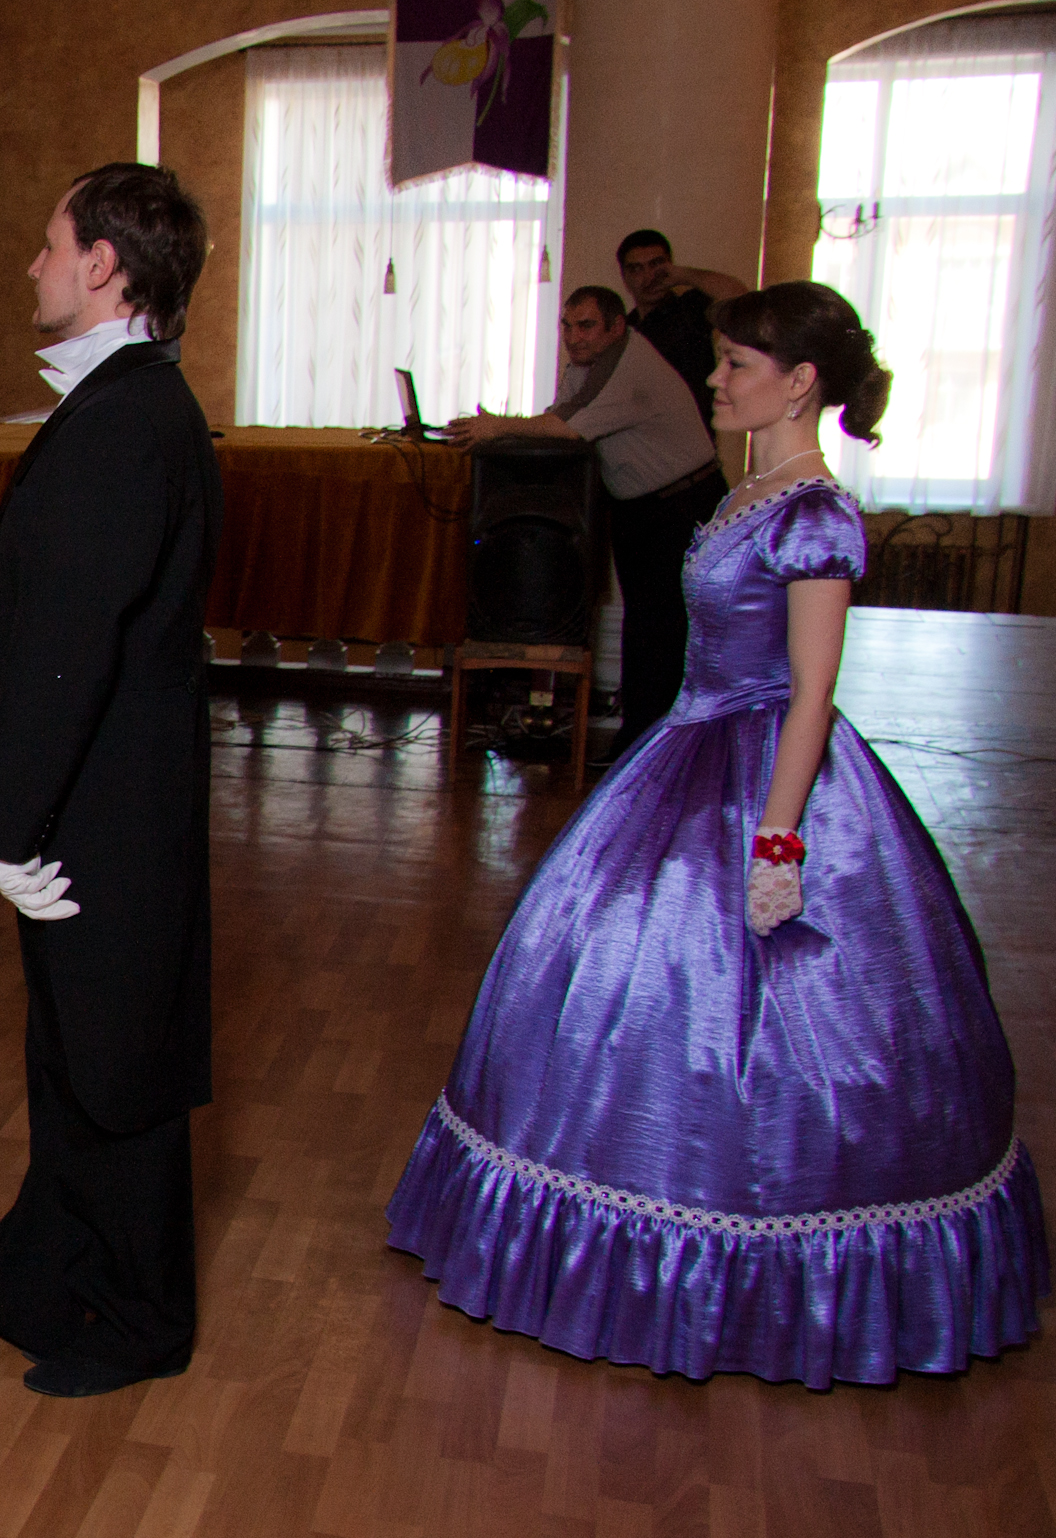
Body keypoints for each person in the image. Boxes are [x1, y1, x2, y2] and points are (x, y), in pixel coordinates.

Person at [388, 282, 1043, 1388]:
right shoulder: (750, 492)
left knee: (772, 1010)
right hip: (688, 746)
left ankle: (755, 1252)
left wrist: (779, 839)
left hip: (762, 771)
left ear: (802, 383)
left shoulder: (815, 516)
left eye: (738, 365)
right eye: (723, 360)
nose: (715, 379)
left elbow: (812, 692)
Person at [0, 163, 220, 1400]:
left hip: (104, 805)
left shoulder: (124, 417)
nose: (33, 264)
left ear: (104, 266)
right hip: (104, 790)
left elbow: (74, 644)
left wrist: (10, 823)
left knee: (116, 1066)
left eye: (50, 243)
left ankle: (140, 1321)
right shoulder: (125, 400)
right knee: (70, 1053)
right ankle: (45, 1284)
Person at [450, 285, 718, 757]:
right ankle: (638, 745)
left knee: (663, 633)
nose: (573, 337)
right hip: (643, 507)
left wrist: (498, 426)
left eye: (587, 326)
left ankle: (652, 751)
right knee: (646, 630)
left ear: (616, 327)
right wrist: (502, 429)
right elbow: (560, 419)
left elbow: (566, 429)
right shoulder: (587, 365)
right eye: (567, 326)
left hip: (681, 504)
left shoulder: (626, 363)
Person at [618, 227, 749, 428]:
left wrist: (683, 275)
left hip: (693, 436)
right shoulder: (625, 329)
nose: (649, 277)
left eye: (656, 265)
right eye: (636, 269)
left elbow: (740, 298)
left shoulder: (689, 308)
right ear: (625, 277)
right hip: (642, 436)